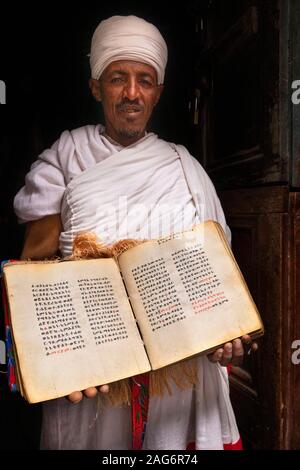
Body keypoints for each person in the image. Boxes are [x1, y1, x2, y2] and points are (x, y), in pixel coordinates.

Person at [14, 15, 257, 450]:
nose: (131, 93)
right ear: (95, 87)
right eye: (117, 79)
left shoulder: (185, 167)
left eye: (144, 81)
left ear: (157, 92)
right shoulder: (65, 158)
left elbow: (216, 275)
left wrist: (226, 333)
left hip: (180, 363)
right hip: (95, 363)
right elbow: (34, 262)